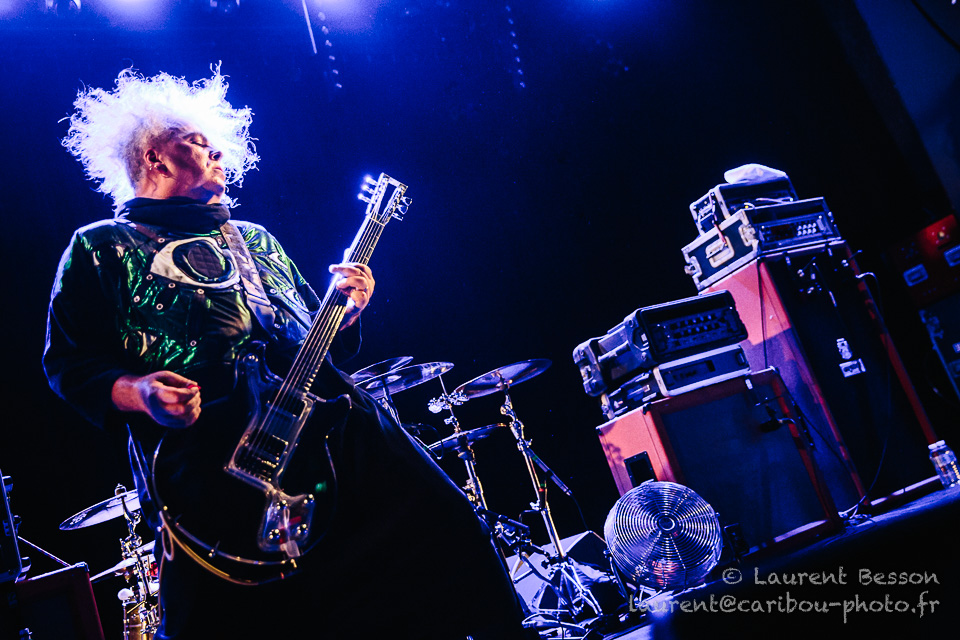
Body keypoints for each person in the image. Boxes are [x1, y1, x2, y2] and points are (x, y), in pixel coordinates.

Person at [44, 68, 530, 639]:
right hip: (212, 467)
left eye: (216, 144)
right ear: (155, 158)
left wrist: (346, 313)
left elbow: (312, 345)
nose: (218, 152)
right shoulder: (101, 246)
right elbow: (69, 364)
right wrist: (141, 392)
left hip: (337, 436)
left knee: (447, 541)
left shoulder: (255, 240)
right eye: (198, 143)